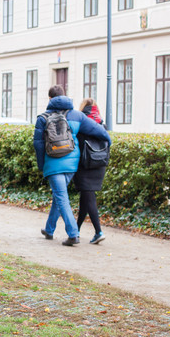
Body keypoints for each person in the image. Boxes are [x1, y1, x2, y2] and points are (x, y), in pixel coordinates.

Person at [33, 86, 111, 246]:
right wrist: (108, 140)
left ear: (50, 99)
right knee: (59, 195)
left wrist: (42, 166)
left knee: (61, 197)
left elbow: (39, 145)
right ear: (65, 96)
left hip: (53, 162)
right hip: (72, 163)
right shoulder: (77, 115)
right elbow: (98, 131)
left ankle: (73, 234)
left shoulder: (42, 118)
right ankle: (49, 229)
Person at [72, 98, 109, 245]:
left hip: (85, 165)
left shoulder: (81, 123)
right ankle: (76, 230)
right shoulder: (102, 124)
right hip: (99, 164)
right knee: (86, 198)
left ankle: (98, 231)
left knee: (89, 198)